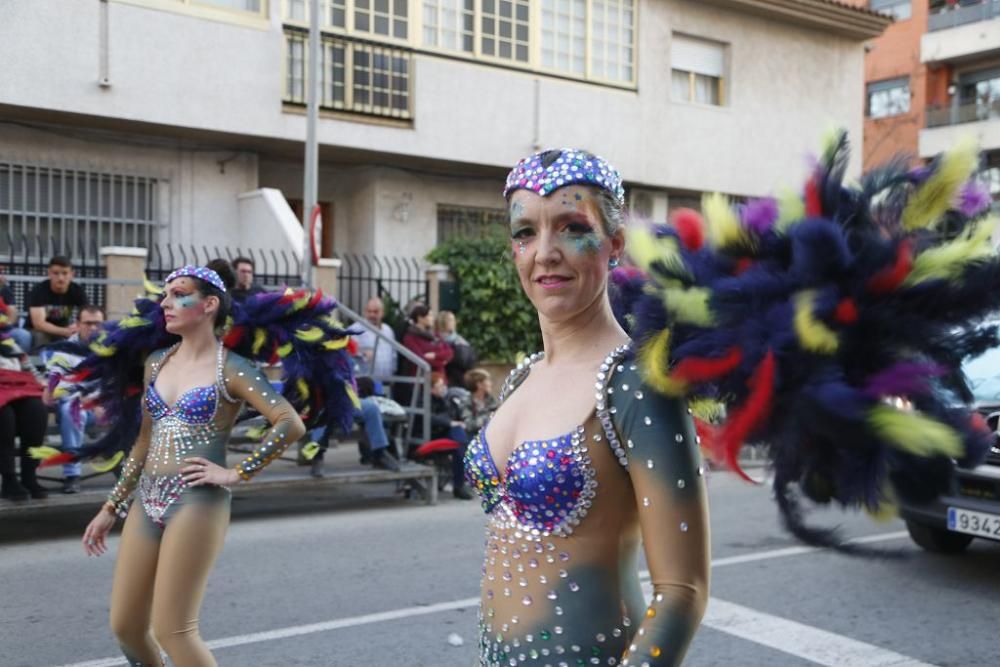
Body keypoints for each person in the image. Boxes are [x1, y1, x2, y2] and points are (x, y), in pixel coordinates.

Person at [464, 149, 709, 665]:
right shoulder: (520, 379)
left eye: (572, 227)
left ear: (614, 244)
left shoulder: (637, 383)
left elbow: (681, 591)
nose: (545, 253)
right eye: (526, 232)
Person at [80, 266, 307, 666]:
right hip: (146, 502)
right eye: (164, 294)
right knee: (127, 629)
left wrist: (236, 473)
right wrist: (110, 507)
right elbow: (144, 441)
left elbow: (290, 422)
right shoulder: (156, 361)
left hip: (197, 504)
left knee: (174, 631)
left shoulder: (232, 368)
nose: (165, 303)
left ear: (209, 305)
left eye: (177, 294)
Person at [44, 305, 106, 494]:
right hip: (75, 408)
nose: (93, 328)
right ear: (77, 325)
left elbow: (117, 381)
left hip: (105, 410)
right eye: (88, 323)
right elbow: (56, 386)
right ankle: (72, 474)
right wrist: (88, 398)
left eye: (98, 324)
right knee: (72, 407)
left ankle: (134, 471)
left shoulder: (112, 349)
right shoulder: (64, 350)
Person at [0, 329, 49, 501]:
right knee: (4, 417)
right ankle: (9, 479)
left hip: (17, 389)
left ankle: (29, 476)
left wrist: (44, 385)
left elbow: (31, 370)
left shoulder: (8, 342)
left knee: (36, 410)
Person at [428, 372, 473, 500]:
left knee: (463, 438)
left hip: (450, 432)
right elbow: (431, 418)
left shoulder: (448, 399)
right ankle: (460, 484)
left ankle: (461, 482)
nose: (443, 389)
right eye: (439, 386)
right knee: (460, 442)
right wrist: (450, 422)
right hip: (434, 433)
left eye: (443, 385)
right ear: (431, 389)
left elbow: (457, 415)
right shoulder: (425, 401)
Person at [26, 255, 88, 347]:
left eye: (65, 273)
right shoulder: (39, 290)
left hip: (64, 330)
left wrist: (76, 326)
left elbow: (87, 314)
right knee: (41, 336)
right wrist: (64, 331)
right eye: (56, 273)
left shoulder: (77, 291)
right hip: (37, 331)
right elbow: (38, 324)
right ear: (49, 273)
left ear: (72, 274)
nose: (60, 278)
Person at [355, 296, 398, 381]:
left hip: (385, 382)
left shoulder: (388, 330)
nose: (372, 315)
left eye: (376, 312)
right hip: (365, 382)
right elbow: (347, 351)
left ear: (382, 313)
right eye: (369, 311)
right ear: (365, 312)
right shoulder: (356, 329)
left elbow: (393, 354)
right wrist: (362, 353)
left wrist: (393, 374)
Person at [437, 310, 478, 389]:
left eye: (453, 320)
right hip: (447, 377)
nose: (454, 322)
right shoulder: (438, 339)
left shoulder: (459, 340)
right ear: (442, 321)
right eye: (450, 320)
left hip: (461, 377)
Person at [0, 271, 31, 352]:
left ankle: (20, 360)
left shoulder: (4, 290)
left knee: (24, 335)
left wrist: (8, 322)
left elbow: (12, 313)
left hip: (6, 330)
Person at [461, 368, 497, 434]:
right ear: (479, 385)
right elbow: (470, 425)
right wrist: (490, 417)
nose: (490, 384)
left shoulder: (491, 399)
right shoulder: (466, 401)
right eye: (488, 381)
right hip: (475, 438)